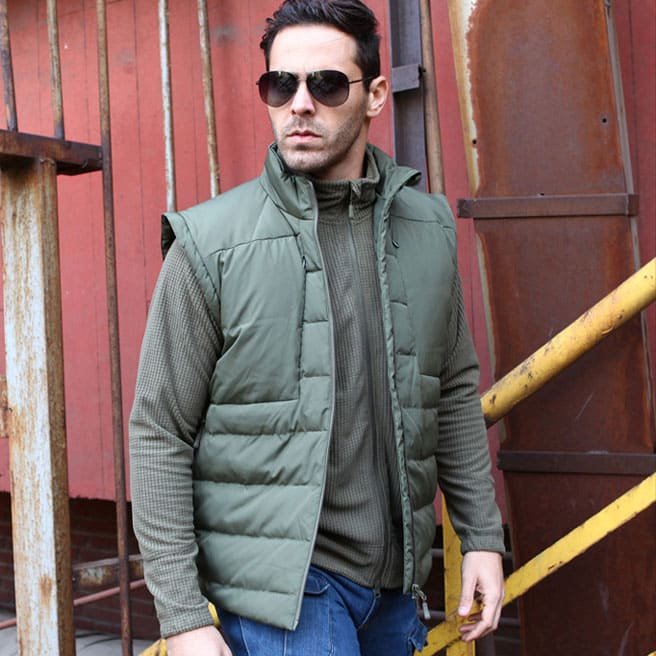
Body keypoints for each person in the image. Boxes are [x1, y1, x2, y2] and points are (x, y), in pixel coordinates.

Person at [129, 1, 505, 654]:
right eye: (281, 85)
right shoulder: (210, 244)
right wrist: (183, 614)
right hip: (283, 592)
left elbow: (449, 391)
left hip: (395, 584)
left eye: (326, 84)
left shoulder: (428, 229)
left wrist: (481, 537)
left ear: (376, 95)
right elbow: (159, 429)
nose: (299, 104)